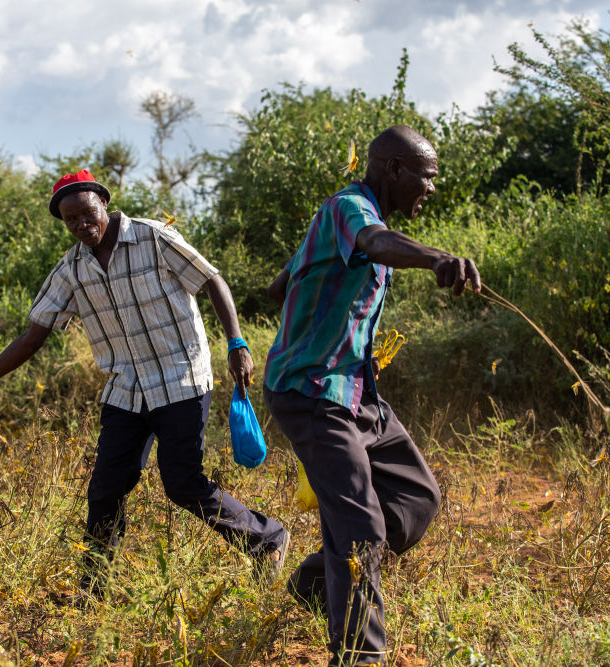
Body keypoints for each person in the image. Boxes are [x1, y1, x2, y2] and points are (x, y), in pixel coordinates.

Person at [0, 169, 289, 597]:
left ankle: (266, 539)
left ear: (104, 204)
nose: (81, 225)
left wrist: (236, 342)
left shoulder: (153, 237)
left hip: (181, 378)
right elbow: (33, 336)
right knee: (106, 488)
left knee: (183, 483)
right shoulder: (72, 268)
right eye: (70, 220)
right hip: (126, 389)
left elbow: (211, 281)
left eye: (87, 213)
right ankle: (93, 590)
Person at [263, 126, 481, 665]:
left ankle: (315, 583)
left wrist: (297, 279)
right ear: (394, 170)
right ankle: (361, 656)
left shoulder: (348, 220)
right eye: (426, 177)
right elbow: (375, 242)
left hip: (357, 391)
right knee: (360, 528)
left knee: (416, 499)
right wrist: (437, 259)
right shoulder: (350, 209)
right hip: (313, 391)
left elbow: (282, 282)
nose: (431, 188)